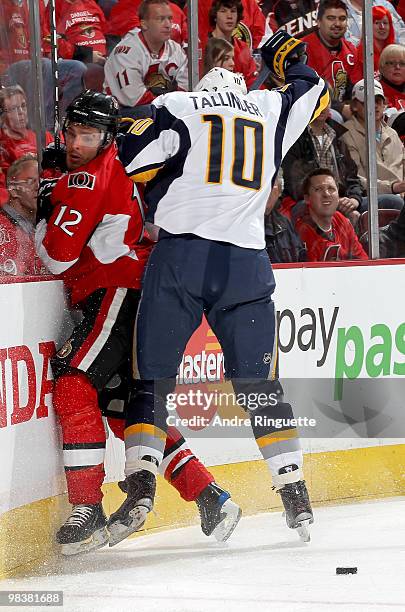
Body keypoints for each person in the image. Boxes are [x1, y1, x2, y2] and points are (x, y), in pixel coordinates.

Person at [108, 31, 329, 546]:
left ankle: (141, 485)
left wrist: (168, 178)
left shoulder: (178, 103)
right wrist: (287, 63)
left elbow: (133, 156)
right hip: (245, 263)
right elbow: (316, 90)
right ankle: (293, 491)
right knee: (259, 385)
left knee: (153, 382)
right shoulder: (267, 105)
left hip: (182, 256)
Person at [35, 90, 241, 555]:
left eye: (88, 135)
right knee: (126, 411)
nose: (76, 143)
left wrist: (41, 209)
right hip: (139, 291)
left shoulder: (85, 180)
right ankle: (211, 496)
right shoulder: (114, 163)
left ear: (107, 136)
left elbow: (53, 258)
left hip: (115, 291)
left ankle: (85, 508)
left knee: (72, 384)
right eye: (72, 133)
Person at [281, 98, 363, 219]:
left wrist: (354, 199)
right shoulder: (294, 136)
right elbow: (295, 186)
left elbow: (352, 177)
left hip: (341, 198)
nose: (321, 106)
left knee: (391, 201)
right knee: (353, 215)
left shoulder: (337, 135)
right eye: (316, 100)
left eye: (325, 101)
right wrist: (332, 198)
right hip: (308, 199)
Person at [103, 0, 188, 107]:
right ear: (144, 24)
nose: (168, 25)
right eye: (160, 19)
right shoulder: (126, 52)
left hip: (162, 108)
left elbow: (185, 91)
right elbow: (135, 100)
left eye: (170, 19)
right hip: (124, 112)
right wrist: (171, 105)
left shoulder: (175, 49)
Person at [342, 78, 405, 209]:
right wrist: (392, 188)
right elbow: (356, 179)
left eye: (378, 101)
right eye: (367, 101)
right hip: (369, 197)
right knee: (395, 202)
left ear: (384, 105)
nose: (374, 105)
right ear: (354, 105)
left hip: (399, 195)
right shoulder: (346, 134)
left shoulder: (392, 133)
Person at [302, 0, 362, 118]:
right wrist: (339, 108)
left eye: (342, 19)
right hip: (312, 110)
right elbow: (306, 91)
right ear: (318, 22)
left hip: (345, 108)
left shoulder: (351, 50)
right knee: (335, 116)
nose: (337, 24)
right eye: (331, 18)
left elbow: (356, 88)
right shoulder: (303, 49)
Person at [294, 168, 368, 261]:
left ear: (338, 196)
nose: (326, 194)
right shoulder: (303, 232)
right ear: (307, 198)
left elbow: (362, 260)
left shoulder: (340, 219)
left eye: (331, 189)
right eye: (318, 189)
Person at [0, 154, 44, 276]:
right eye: (30, 181)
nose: (38, 187)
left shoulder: (40, 227)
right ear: (13, 189)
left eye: (41, 181)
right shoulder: (3, 227)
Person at [0, 85, 53, 177]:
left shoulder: (44, 137)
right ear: (3, 116)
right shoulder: (3, 146)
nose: (21, 112)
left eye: (23, 106)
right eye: (13, 108)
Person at [207, 0, 258, 87]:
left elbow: (252, 84)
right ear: (215, 16)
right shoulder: (202, 45)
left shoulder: (243, 48)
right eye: (223, 11)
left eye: (233, 11)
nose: (229, 16)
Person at [356, 5, 395, 77]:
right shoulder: (361, 52)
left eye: (385, 23)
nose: (382, 27)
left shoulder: (395, 52)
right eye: (377, 23)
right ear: (368, 26)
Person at [379, 44, 405, 112]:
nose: (397, 67)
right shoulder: (375, 92)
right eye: (391, 63)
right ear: (382, 66)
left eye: (402, 63)